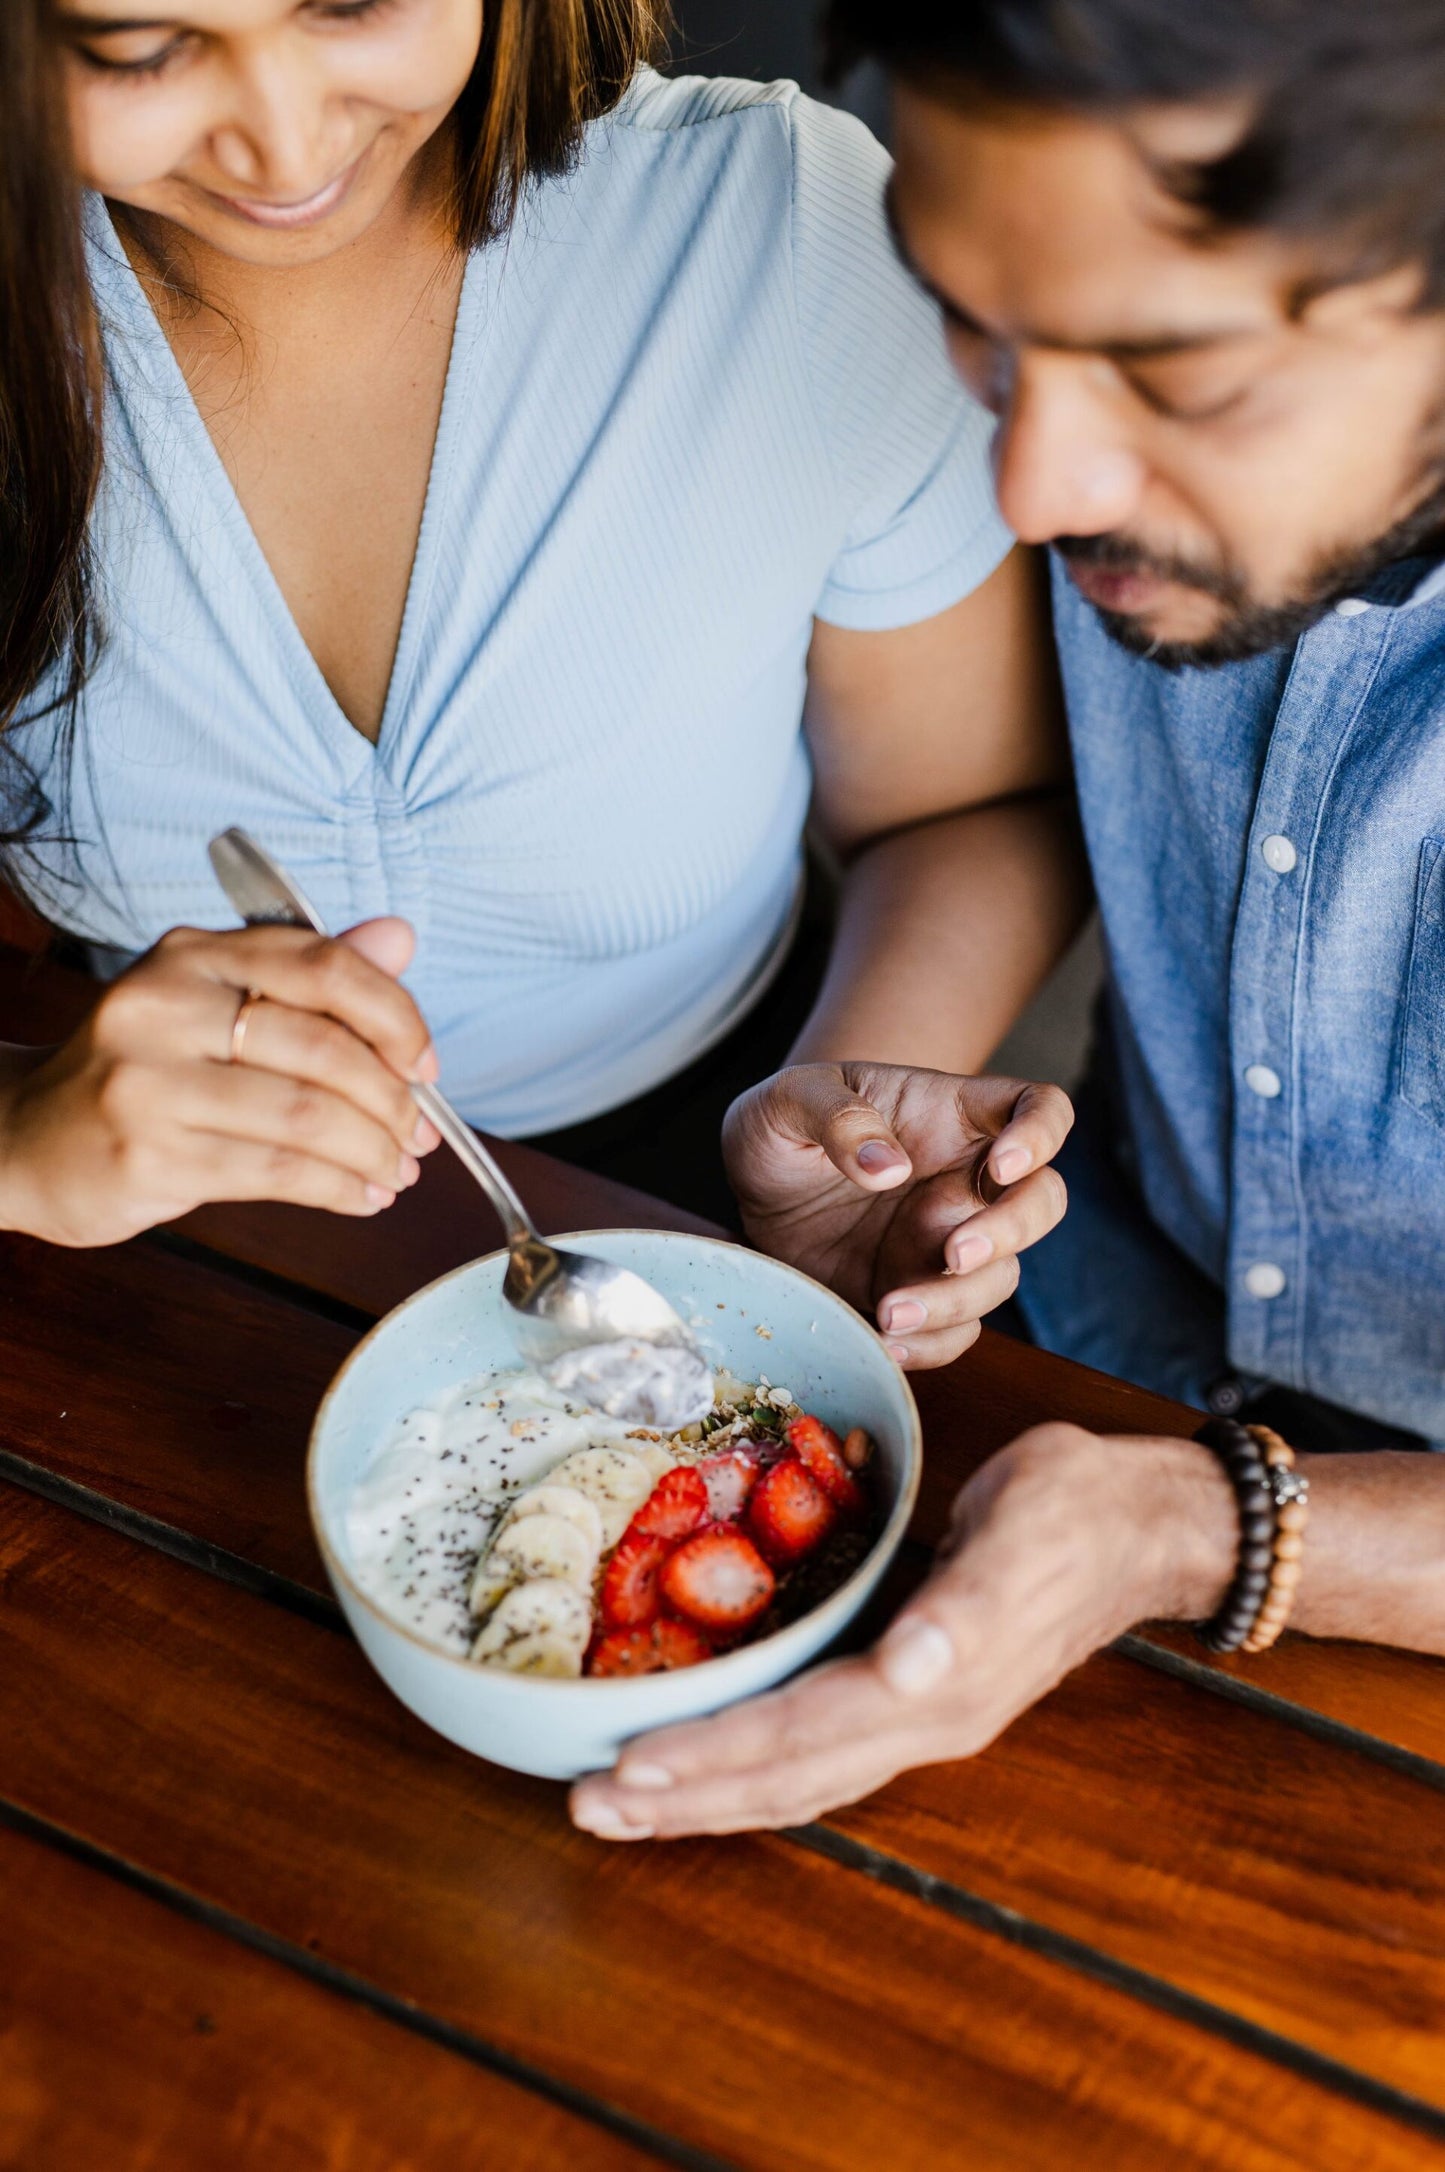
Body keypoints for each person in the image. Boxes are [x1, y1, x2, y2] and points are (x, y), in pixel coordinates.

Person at [570, 0, 1445, 1844]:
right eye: (982, 330)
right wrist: (866, 1109)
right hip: (1083, 1343)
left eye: (1175, 376)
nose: (1031, 493)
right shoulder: (1102, 450)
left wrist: (1186, 1525)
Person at [0, 0, 1082, 1345]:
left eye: (350, 1)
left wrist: (841, 1127)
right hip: (148, 1216)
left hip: (733, 1158)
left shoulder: (780, 234)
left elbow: (962, 813)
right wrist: (19, 1138)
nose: (283, 145)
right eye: (138, 47)